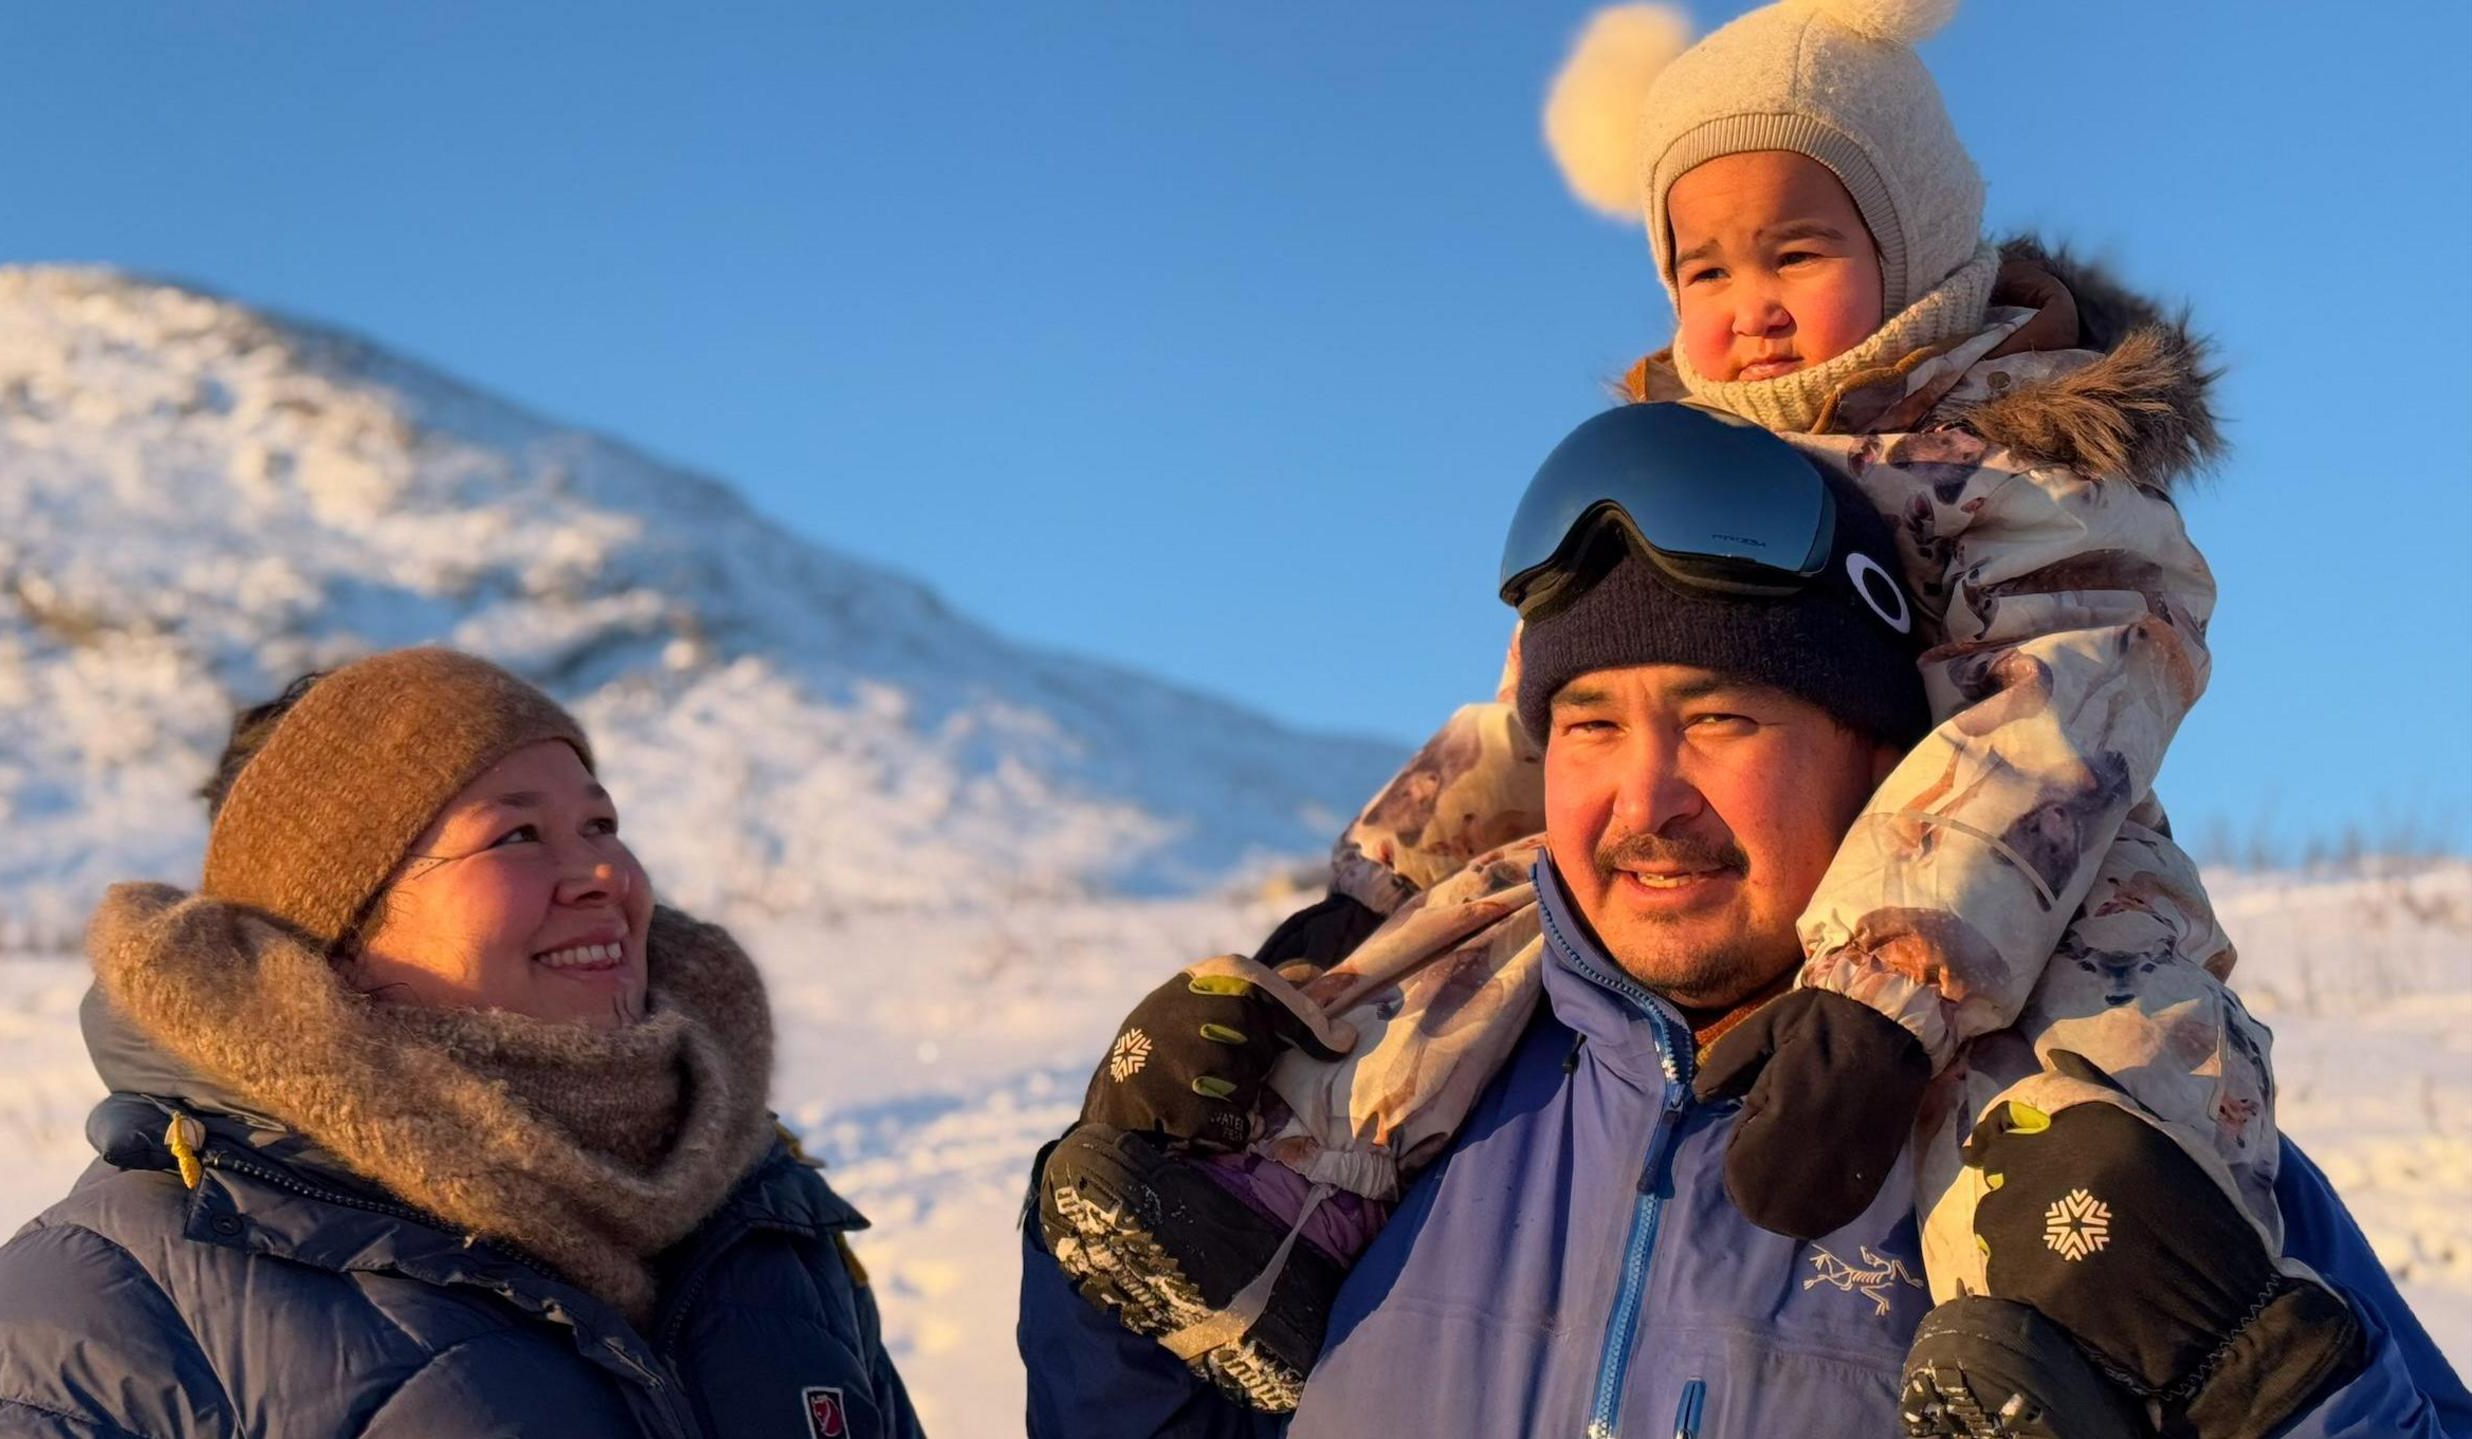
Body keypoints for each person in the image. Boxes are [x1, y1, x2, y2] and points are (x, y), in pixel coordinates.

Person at [1036, 0, 2336, 1431]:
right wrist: (1358, 915)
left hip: (2022, 863)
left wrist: (1882, 996)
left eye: (1799, 250)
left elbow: (2040, 733)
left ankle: (2054, 1331)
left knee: (2098, 1051)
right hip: (1803, 923)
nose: (1750, 305)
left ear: (1915, 247)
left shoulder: (2031, 464)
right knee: (1485, 937)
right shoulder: (1663, 473)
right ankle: (1285, 1204)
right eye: (1701, 267)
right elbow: (1526, 730)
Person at [1020, 407, 2472, 1436]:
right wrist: (1106, 1248)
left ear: (1876, 754)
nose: (1643, 798)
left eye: (1723, 718)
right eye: (1587, 724)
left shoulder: (2096, 1151)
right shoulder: (1370, 1121)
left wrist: (2266, 1388)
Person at [0, 647, 923, 1439]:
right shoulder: (95, 1325)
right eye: (517, 834)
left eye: (601, 822)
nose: (605, 874)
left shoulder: (756, 1225)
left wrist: (1084, 1331)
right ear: (340, 928)